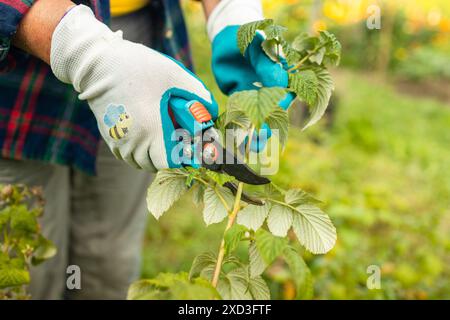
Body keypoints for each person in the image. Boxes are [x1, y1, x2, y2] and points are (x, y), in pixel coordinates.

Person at [0, 0, 291, 299]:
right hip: (18, 63)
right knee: (25, 268)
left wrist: (231, 12)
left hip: (142, 48)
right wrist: (81, 50)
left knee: (110, 261)